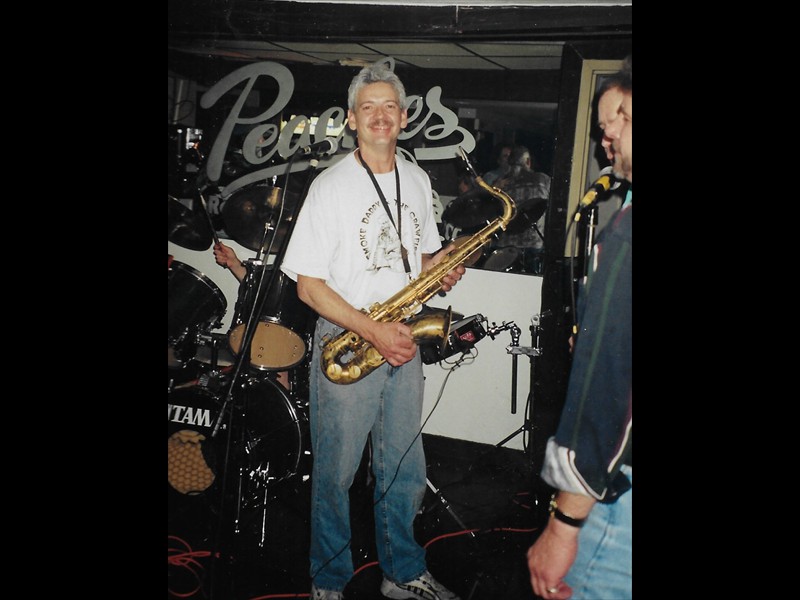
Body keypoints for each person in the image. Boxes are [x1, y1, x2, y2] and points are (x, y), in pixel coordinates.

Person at [280, 63, 465, 600]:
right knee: (336, 475)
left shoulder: (418, 179)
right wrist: (374, 330)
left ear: (404, 118)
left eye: (389, 107)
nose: (380, 116)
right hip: (350, 340)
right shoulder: (330, 186)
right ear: (352, 119)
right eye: (368, 107)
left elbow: (418, 258)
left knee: (403, 466)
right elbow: (308, 286)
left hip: (402, 336)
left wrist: (439, 269)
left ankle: (401, 572)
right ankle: (328, 579)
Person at [526, 55, 632, 600]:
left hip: (617, 496)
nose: (603, 140)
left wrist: (563, 524)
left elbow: (608, 393)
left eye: (612, 123)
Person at [491, 145, 551, 272]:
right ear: (528, 162)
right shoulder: (543, 180)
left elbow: (493, 214)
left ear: (509, 162)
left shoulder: (500, 184)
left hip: (506, 248)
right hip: (534, 246)